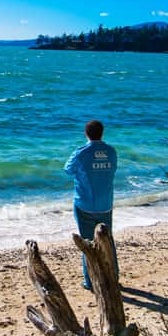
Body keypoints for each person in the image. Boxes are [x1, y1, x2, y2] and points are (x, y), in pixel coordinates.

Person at [65, 120, 118, 290]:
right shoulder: (111, 151)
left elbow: (68, 169)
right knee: (107, 242)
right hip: (105, 203)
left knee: (88, 243)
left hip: (85, 203)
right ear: (101, 133)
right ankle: (113, 277)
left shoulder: (81, 153)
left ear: (86, 134)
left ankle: (90, 281)